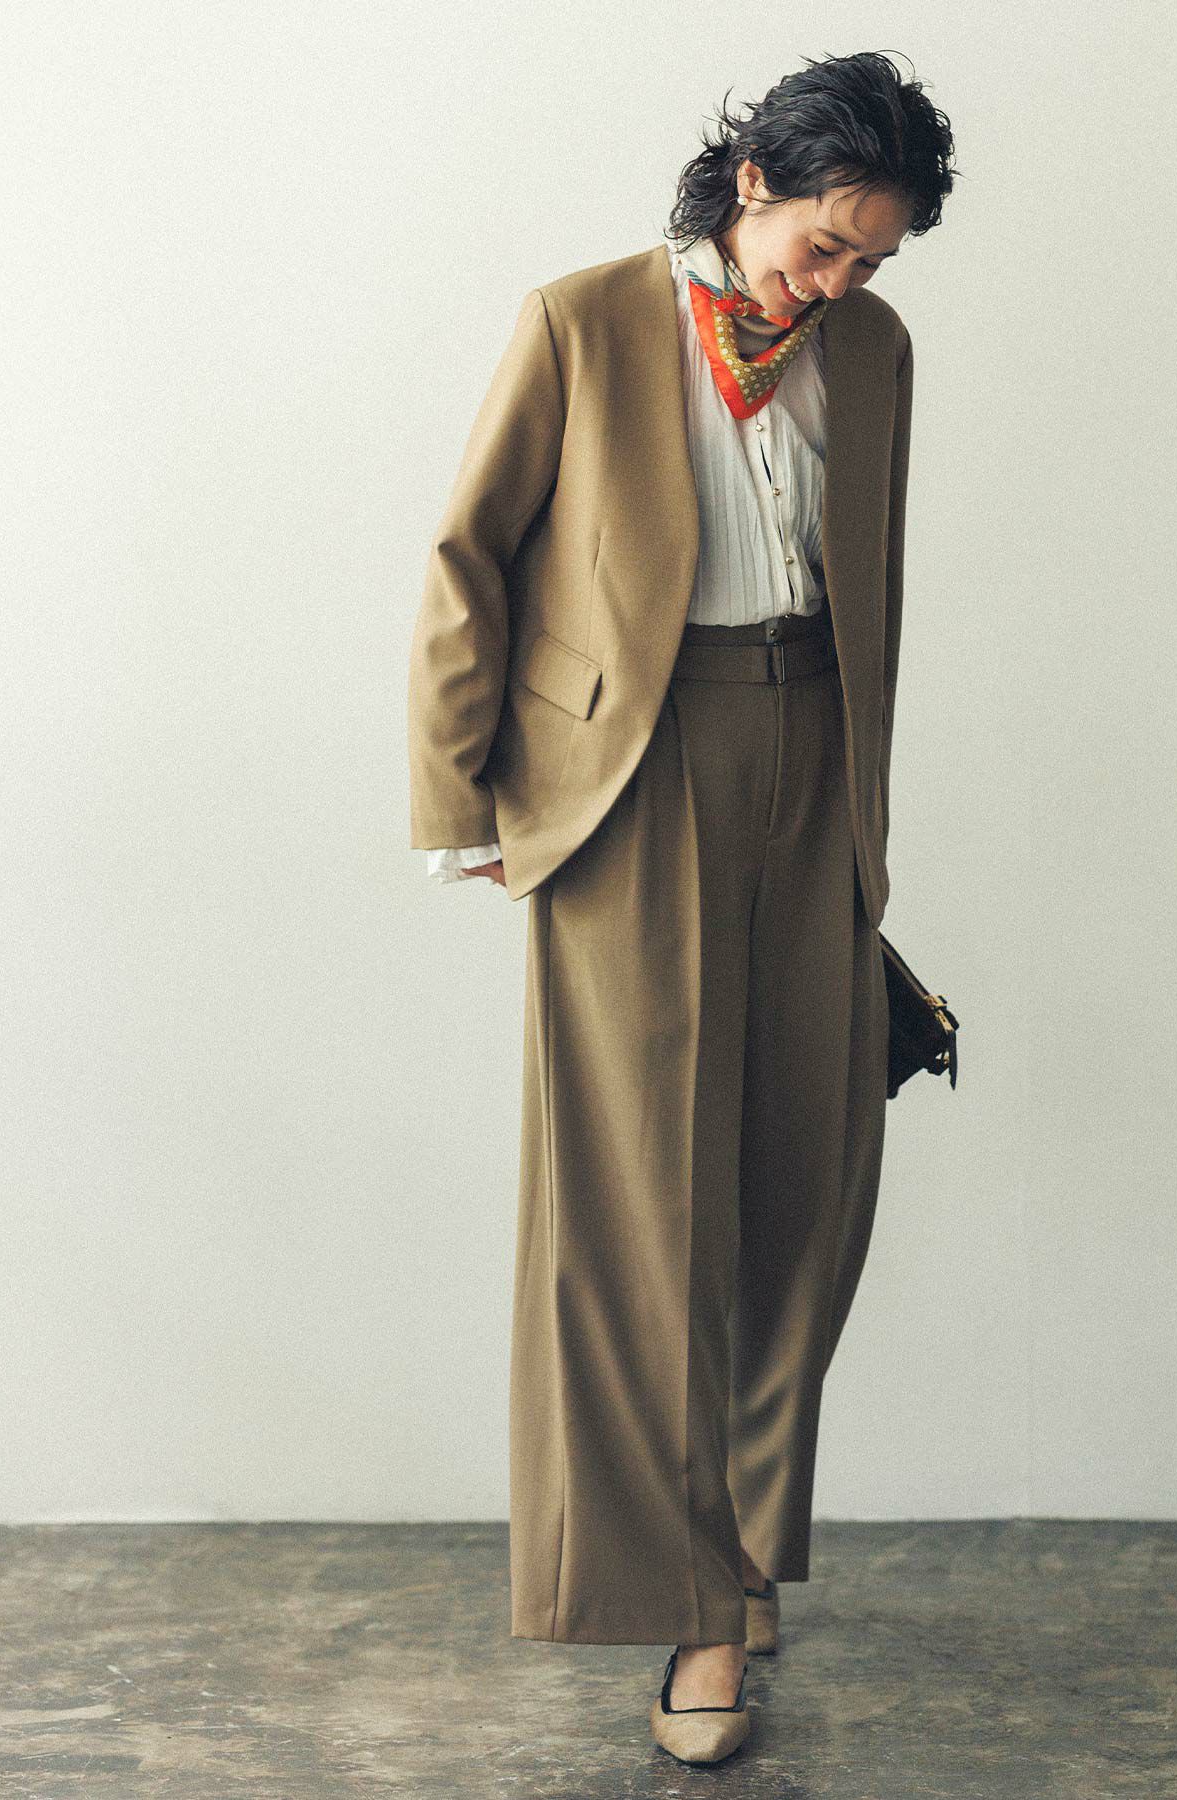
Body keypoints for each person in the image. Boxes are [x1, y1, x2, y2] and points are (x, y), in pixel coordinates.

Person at [407, 49, 955, 1765]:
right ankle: (697, 1613)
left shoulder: (874, 352)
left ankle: (743, 1537)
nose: (839, 282)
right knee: (644, 1208)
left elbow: (872, 584)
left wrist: (861, 813)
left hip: (816, 762)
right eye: (823, 245)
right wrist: (460, 800)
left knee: (808, 1188)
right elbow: (468, 558)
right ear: (752, 185)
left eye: (872, 258)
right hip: (630, 774)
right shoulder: (581, 323)